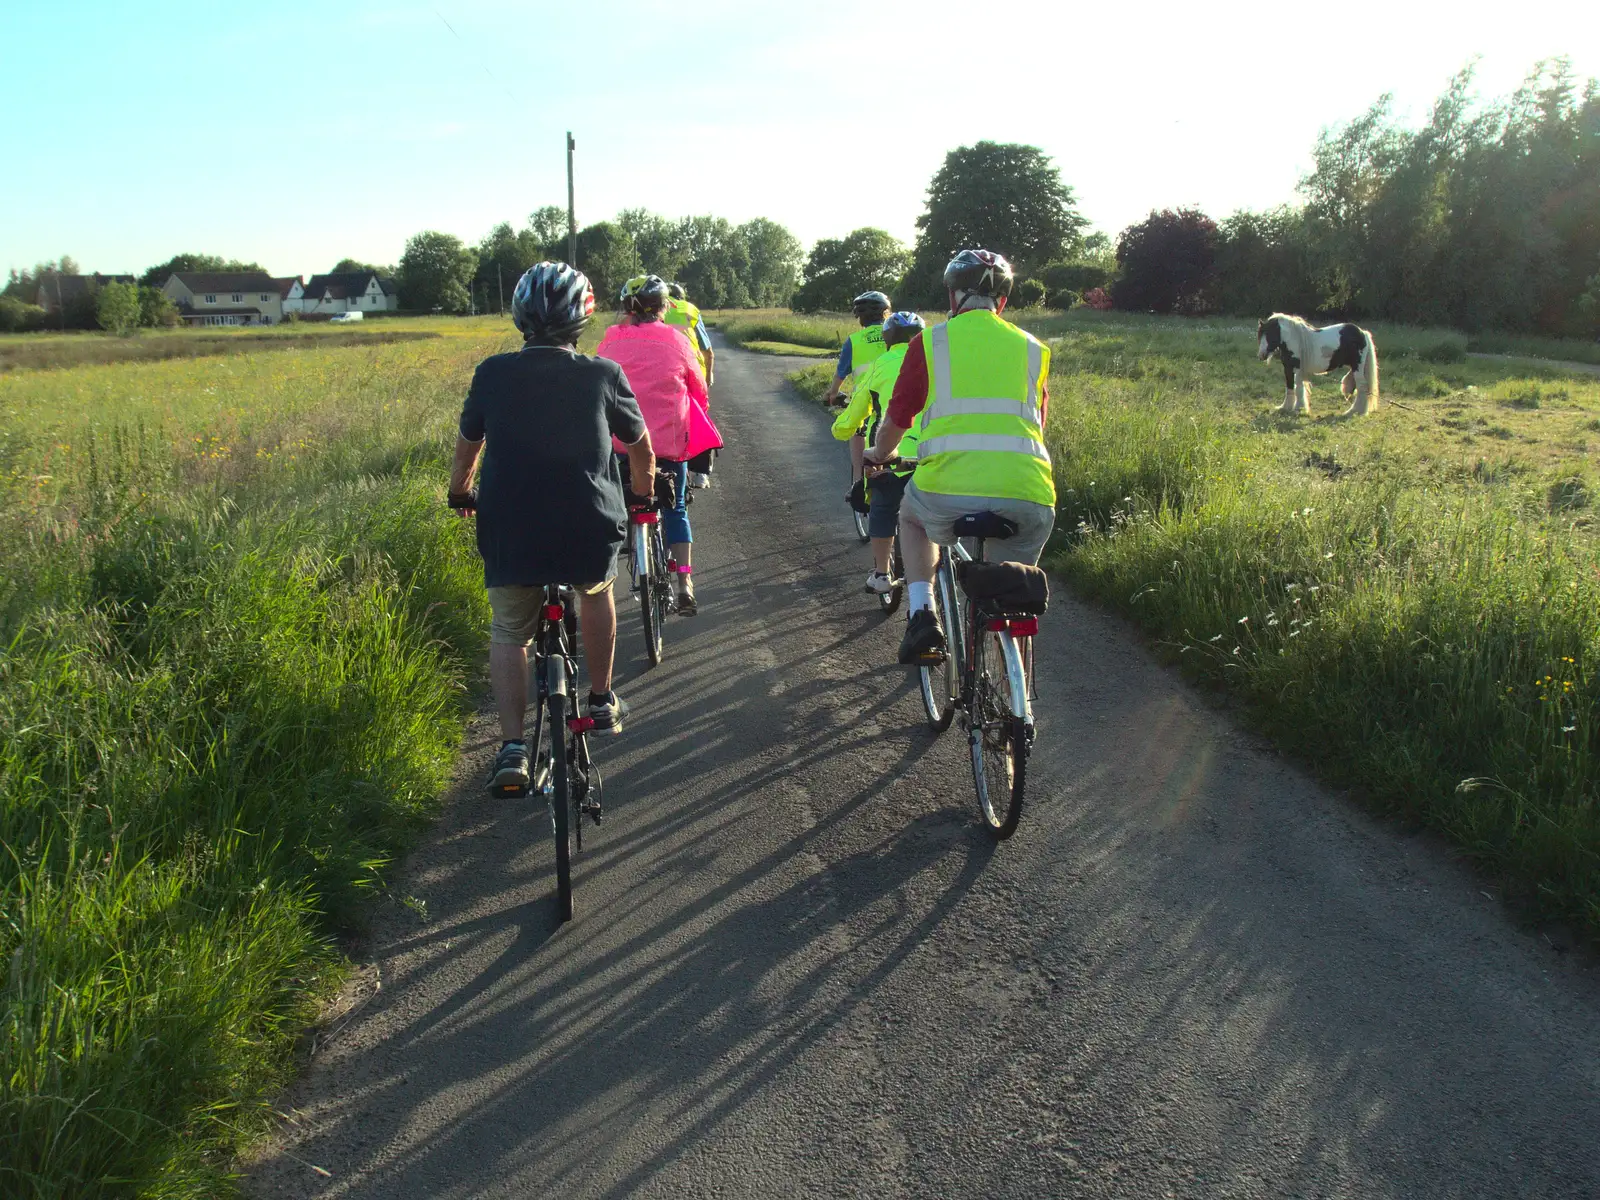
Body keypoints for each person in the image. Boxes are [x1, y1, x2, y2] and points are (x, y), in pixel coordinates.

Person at [449, 262, 656, 795]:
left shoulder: (492, 373)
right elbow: (640, 447)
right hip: (587, 523)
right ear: (581, 321)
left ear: (521, 318)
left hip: (511, 526)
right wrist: (642, 495)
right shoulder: (602, 374)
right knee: (595, 589)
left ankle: (514, 747)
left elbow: (470, 442)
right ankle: (601, 699)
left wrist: (459, 491)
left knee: (509, 631)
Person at [863, 250, 1054, 665]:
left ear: (953, 297)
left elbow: (898, 417)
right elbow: (1037, 423)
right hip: (1029, 492)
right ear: (1002, 301)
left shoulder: (929, 343)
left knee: (911, 517)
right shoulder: (1034, 349)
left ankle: (922, 613)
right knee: (1013, 594)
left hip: (945, 489)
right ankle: (1016, 695)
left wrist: (879, 453)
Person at [597, 274, 710, 614]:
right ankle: (685, 582)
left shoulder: (611, 339)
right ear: (664, 307)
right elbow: (699, 391)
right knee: (675, 508)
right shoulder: (677, 340)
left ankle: (606, 575)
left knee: (618, 503)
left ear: (627, 309)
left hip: (622, 443)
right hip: (669, 445)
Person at [830, 311, 925, 594]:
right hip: (936, 453)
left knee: (883, 504)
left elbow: (857, 411)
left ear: (887, 340)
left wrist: (840, 429)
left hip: (893, 452)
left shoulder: (881, 364)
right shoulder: (938, 362)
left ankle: (882, 574)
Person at [824, 290, 892, 490]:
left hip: (867, 404)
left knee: (858, 439)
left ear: (860, 317)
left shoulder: (854, 341)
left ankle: (858, 489)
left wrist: (831, 394)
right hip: (898, 401)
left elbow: (839, 377)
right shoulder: (897, 334)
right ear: (885, 313)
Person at [664, 282, 717, 488]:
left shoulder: (653, 309)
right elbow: (707, 350)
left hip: (664, 372)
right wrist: (708, 375)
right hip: (692, 371)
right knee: (699, 417)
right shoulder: (690, 311)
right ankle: (701, 473)